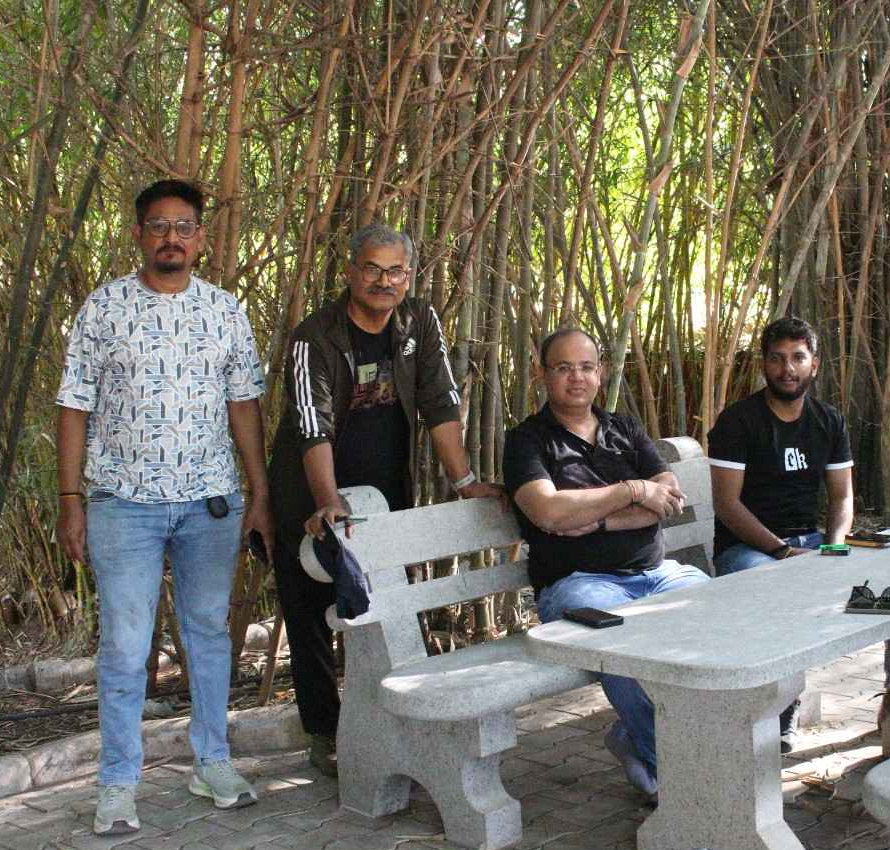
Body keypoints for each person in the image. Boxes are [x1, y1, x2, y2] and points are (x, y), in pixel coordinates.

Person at [55, 178, 272, 835]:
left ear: (201, 240)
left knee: (208, 634)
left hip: (209, 502)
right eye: (158, 226)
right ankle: (119, 783)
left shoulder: (224, 311)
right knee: (124, 644)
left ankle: (214, 761)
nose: (171, 237)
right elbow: (73, 406)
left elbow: (244, 404)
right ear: (138, 235)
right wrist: (70, 500)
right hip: (123, 503)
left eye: (183, 227)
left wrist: (258, 492)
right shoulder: (104, 308)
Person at [267, 224, 500, 777]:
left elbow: (441, 403)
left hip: (383, 488)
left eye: (395, 271)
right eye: (371, 268)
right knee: (309, 612)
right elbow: (310, 426)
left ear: (409, 276)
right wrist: (327, 501)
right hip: (309, 488)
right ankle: (325, 731)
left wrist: (464, 480)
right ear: (350, 271)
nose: (383, 281)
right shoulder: (314, 337)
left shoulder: (419, 322)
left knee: (383, 602)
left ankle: (387, 717)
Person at [503, 327, 708, 798]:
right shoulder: (527, 442)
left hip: (657, 575)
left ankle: (650, 742)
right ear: (542, 374)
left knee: (723, 623)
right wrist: (630, 491)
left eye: (586, 366)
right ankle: (679, 781)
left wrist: (593, 521)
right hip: (579, 585)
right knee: (621, 650)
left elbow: (670, 497)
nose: (576, 377)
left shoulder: (625, 428)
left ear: (602, 372)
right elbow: (549, 512)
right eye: (563, 367)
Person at [708, 316, 853, 750]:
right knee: (780, 595)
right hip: (749, 548)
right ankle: (778, 711)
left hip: (808, 543)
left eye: (797, 358)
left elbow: (842, 499)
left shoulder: (828, 421)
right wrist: (783, 551)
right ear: (763, 365)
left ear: (814, 364)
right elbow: (728, 506)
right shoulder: (738, 422)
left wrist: (835, 548)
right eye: (777, 359)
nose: (787, 368)